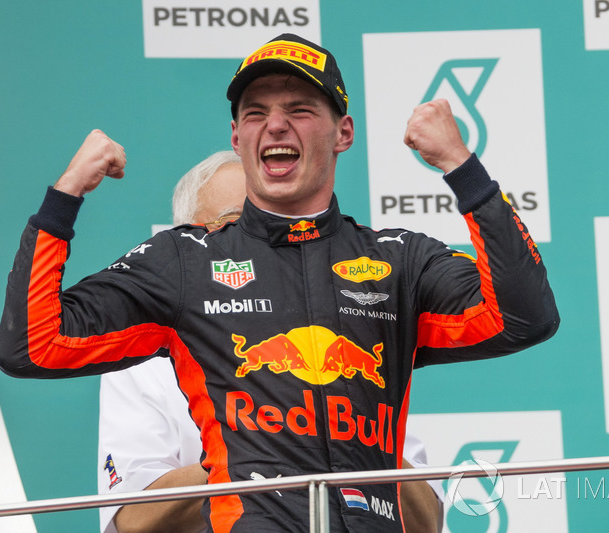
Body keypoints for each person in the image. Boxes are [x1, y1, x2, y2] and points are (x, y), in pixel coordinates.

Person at [0, 33, 559, 532]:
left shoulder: (399, 260)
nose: (276, 124)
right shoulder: (184, 260)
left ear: (344, 133)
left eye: (299, 108)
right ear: (238, 134)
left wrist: (462, 168)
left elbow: (525, 316)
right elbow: (32, 346)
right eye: (257, 111)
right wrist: (63, 198)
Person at [97, 152, 444, 533]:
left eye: (279, 224)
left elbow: (427, 520)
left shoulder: (343, 336)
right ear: (186, 244)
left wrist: (345, 447)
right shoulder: (147, 359)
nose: (263, 241)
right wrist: (261, 453)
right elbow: (133, 518)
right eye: (235, 225)